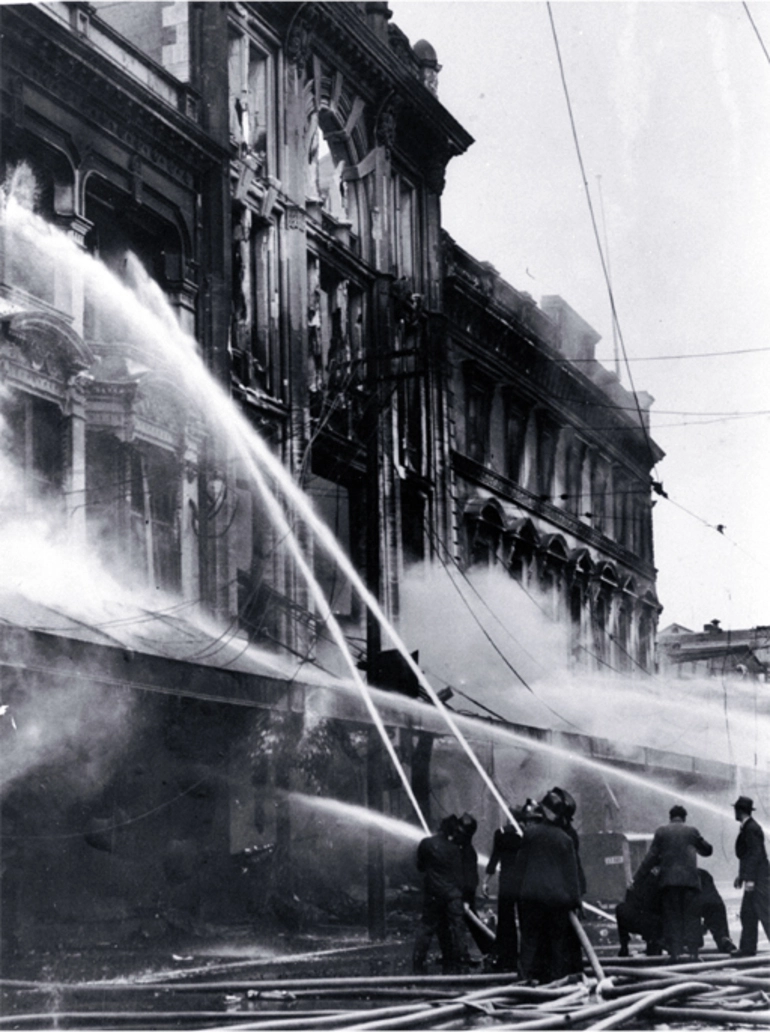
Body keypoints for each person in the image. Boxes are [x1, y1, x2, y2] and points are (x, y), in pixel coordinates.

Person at [511, 799, 582, 983]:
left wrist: (517, 894)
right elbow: (571, 875)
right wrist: (575, 902)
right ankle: (556, 984)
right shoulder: (565, 839)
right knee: (557, 944)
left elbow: (520, 867)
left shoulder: (530, 834)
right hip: (557, 900)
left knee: (529, 942)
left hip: (531, 898)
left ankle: (523, 982)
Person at [635, 804, 713, 961]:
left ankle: (675, 954)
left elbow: (650, 859)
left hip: (669, 884)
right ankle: (694, 955)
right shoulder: (692, 831)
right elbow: (707, 851)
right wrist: (698, 840)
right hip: (690, 883)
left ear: (670, 817)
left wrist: (637, 878)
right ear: (684, 818)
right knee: (691, 918)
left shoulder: (662, 832)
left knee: (673, 919)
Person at [616, 866, 734, 957]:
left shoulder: (652, 875)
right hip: (674, 929)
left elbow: (639, 905)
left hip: (665, 928)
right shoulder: (700, 875)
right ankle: (722, 938)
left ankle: (658, 944)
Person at [412, 814, 465, 974]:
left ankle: (418, 960)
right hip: (451, 895)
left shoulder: (426, 844)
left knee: (427, 927)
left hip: (433, 893)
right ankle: (458, 959)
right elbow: (458, 873)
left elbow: (420, 866)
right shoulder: (454, 849)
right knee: (456, 928)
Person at [483, 803, 528, 972]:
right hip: (523, 880)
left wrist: (486, 881)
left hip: (507, 881)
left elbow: (495, 858)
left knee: (505, 920)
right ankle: (527, 956)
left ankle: (507, 957)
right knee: (526, 918)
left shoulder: (500, 833)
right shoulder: (526, 835)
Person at [733, 795, 770, 956]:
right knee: (748, 913)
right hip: (755, 877)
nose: (734, 812)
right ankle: (747, 948)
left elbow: (756, 855)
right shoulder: (748, 827)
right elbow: (747, 856)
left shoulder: (751, 828)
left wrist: (750, 880)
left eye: (736, 809)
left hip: (759, 879)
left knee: (765, 913)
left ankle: (747, 948)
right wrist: (742, 876)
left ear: (740, 811)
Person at [455, 812, 492, 962]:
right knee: (468, 922)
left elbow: (470, 877)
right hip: (460, 892)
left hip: (464, 893)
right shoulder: (461, 848)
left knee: (469, 922)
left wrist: (466, 897)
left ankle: (488, 949)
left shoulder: (467, 851)